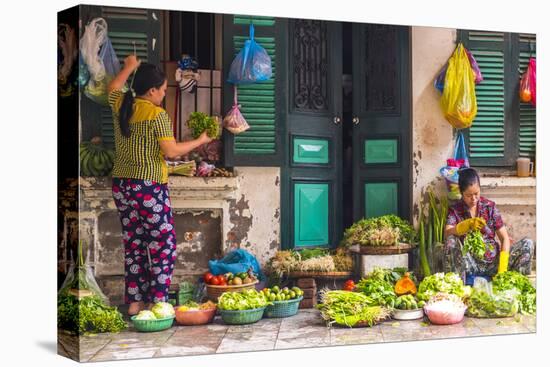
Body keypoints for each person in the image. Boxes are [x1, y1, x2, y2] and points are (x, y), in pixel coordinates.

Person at [107, 55, 212, 315]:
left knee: (134, 244)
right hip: (148, 187)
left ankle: (134, 304)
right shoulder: (157, 114)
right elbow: (172, 151)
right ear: (152, 90)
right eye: (163, 90)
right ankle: (158, 302)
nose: (164, 95)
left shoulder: (122, 104)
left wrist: (128, 68)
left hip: (122, 186)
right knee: (163, 245)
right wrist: (200, 140)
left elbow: (112, 88)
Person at [444, 168, 533, 280]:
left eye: (476, 193)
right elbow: (447, 233)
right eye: (468, 195)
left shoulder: (489, 207)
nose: (474, 199)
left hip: (494, 262)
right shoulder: (455, 210)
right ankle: (459, 286)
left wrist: (502, 268)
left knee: (527, 243)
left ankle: (512, 283)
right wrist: (464, 226)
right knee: (451, 241)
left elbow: (504, 238)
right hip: (470, 265)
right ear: (461, 193)